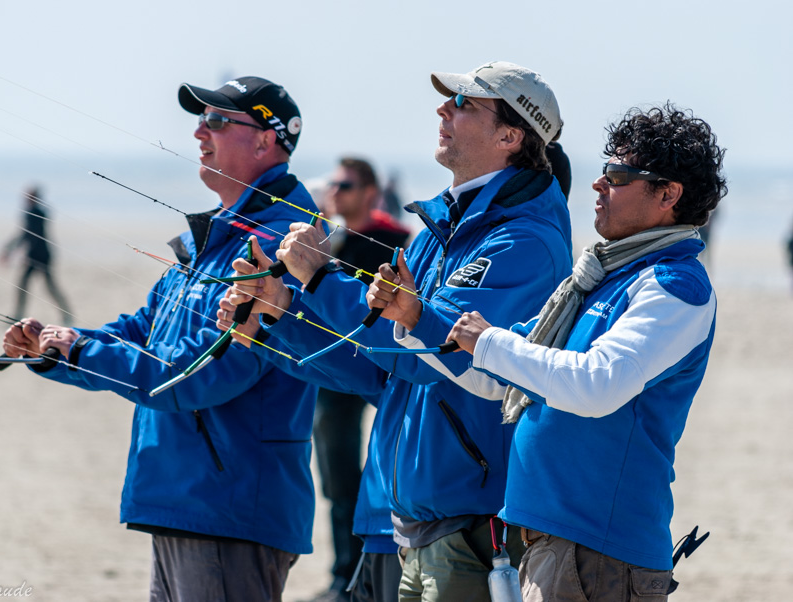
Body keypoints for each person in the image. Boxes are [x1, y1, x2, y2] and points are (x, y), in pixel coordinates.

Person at [225, 61, 573, 601]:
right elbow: (376, 367)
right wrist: (275, 318)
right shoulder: (444, 227)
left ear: (510, 135)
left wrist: (320, 277)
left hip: (470, 520)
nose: (443, 108)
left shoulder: (522, 240)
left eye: (463, 104)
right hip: (406, 515)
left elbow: (432, 350)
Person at [2, 76, 321, 602]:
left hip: (228, 512)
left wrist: (83, 351)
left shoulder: (283, 245)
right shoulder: (218, 236)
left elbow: (201, 375)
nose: (200, 132)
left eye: (217, 120)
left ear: (267, 140)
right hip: (182, 500)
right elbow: (142, 329)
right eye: (200, 119)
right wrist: (56, 345)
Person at [428, 104, 726, 601]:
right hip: (557, 543)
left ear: (668, 195)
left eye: (618, 174)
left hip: (597, 551)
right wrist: (411, 319)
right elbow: (498, 374)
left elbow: (596, 385)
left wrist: (490, 342)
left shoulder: (674, 286)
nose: (598, 184)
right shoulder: (601, 279)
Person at [309, 158, 410, 602]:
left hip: (385, 368)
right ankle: (342, 576)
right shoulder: (334, 241)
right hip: (335, 371)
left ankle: (373, 572)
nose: (336, 192)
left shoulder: (396, 240)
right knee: (336, 477)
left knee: (386, 470)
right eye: (333, 184)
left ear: (369, 192)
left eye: (345, 185)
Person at [0, 186, 73, 324]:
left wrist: (12, 251)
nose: (26, 199)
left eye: (28, 197)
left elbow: (28, 235)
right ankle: (18, 315)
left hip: (40, 256)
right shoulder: (38, 212)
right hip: (39, 254)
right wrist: (10, 250)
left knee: (47, 287)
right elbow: (25, 234)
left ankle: (66, 315)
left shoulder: (35, 213)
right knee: (26, 286)